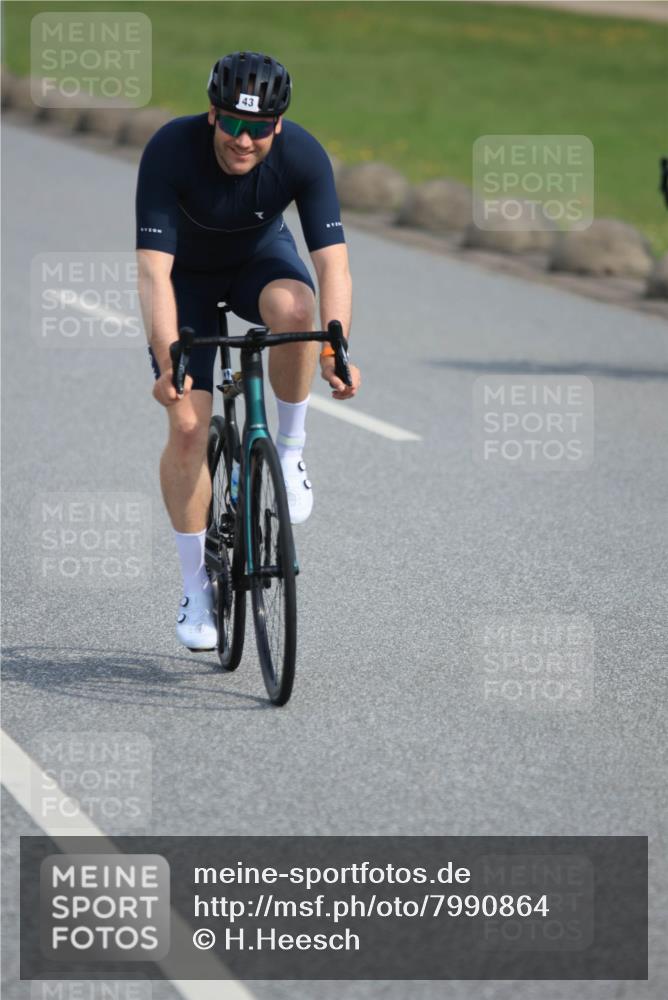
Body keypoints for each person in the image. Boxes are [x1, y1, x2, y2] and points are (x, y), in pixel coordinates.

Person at [135, 50, 361, 651]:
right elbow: (155, 275)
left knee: (297, 312)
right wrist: (166, 364)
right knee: (187, 425)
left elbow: (331, 263)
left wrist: (336, 348)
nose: (243, 139)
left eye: (258, 127)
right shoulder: (169, 150)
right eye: (232, 122)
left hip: (259, 264)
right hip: (187, 282)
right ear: (212, 114)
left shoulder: (303, 155)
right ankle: (195, 589)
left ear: (277, 126)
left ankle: (288, 452)